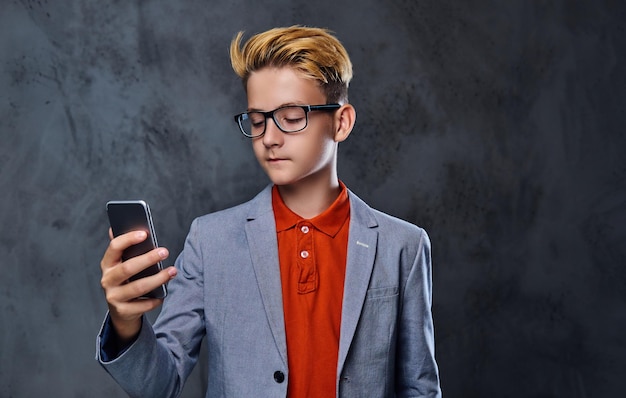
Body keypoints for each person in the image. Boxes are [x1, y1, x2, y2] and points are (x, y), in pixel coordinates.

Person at [96, 25, 441, 398]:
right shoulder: (210, 241)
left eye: (291, 117)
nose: (269, 138)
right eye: (257, 121)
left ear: (341, 122)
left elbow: (419, 387)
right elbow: (158, 386)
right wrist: (126, 323)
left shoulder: (403, 245)